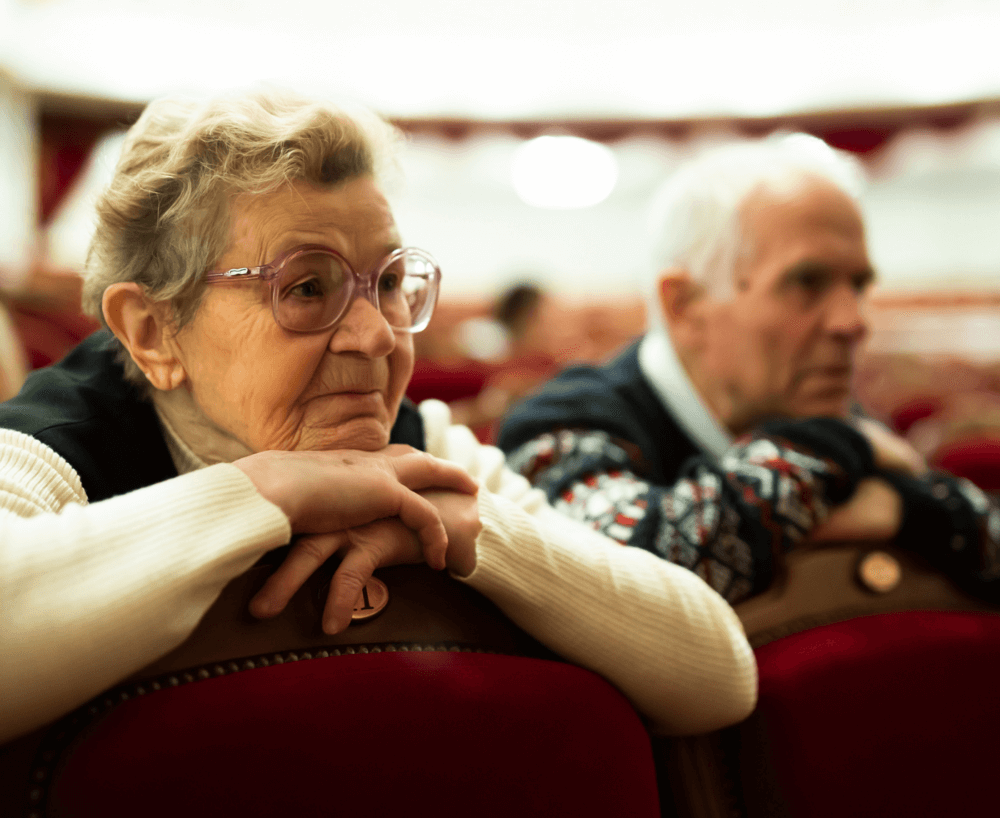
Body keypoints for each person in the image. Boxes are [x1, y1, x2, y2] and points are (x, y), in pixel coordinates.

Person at [0, 89, 757, 747]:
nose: (375, 336)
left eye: (389, 281)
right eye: (306, 288)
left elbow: (719, 675)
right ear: (153, 332)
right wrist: (264, 492)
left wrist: (480, 532)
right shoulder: (54, 442)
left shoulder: (420, 449)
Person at [498, 133, 1000, 605]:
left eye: (859, 285)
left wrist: (902, 509)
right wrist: (850, 448)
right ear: (686, 304)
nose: (854, 322)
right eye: (807, 281)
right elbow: (632, 578)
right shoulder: (560, 423)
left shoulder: (817, 406)